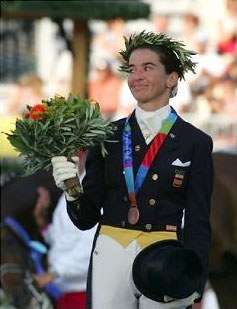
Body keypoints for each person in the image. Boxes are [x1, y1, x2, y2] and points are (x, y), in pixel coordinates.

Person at [51, 31, 214, 309]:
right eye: (132, 69)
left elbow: (198, 221)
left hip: (166, 256)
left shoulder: (195, 142)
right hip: (111, 250)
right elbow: (86, 219)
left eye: (147, 67)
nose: (136, 76)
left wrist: (194, 282)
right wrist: (71, 187)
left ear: (172, 78)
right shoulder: (107, 135)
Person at [33, 155, 96, 309]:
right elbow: (62, 240)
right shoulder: (72, 186)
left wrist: (53, 274)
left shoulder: (91, 188)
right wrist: (41, 220)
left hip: (85, 295)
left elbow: (91, 247)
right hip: (66, 295)